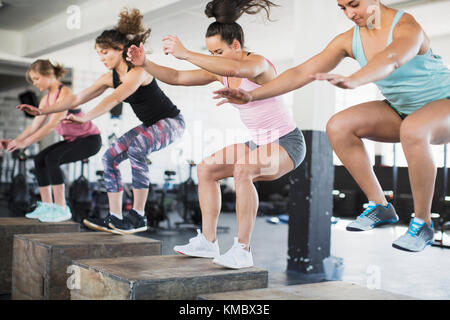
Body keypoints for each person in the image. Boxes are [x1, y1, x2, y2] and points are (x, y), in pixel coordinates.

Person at [214, 0, 450, 252]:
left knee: (413, 129)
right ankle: (379, 204)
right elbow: (300, 72)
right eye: (342, 8)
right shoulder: (349, 40)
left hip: (442, 104)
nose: (350, 14)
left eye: (354, 4)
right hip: (400, 111)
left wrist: (355, 79)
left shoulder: (405, 25)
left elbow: (392, 59)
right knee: (338, 126)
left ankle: (422, 222)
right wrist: (254, 96)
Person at [126, 0, 306, 268]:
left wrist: (186, 53)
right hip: (258, 143)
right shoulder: (221, 72)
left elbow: (235, 69)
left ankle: (243, 250)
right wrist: (146, 63)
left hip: (287, 143)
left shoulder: (257, 64)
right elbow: (177, 76)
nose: (214, 58)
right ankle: (208, 242)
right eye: (210, 52)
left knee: (243, 171)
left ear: (236, 46)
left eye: (218, 51)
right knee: (206, 169)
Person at [20, 8, 185, 234]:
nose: (102, 58)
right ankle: (114, 217)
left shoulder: (138, 71)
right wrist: (41, 110)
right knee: (110, 157)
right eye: (99, 53)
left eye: (105, 52)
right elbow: (76, 98)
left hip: (172, 122)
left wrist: (85, 117)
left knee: (137, 149)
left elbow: (115, 98)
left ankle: (138, 216)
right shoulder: (110, 77)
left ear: (120, 50)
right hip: (151, 126)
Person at [5, 59, 102, 222]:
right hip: (73, 139)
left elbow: (51, 126)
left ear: (48, 75)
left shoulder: (65, 94)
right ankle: (48, 206)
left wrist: (25, 144)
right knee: (39, 159)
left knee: (52, 159)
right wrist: (15, 142)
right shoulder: (45, 100)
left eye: (36, 79)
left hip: (89, 140)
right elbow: (33, 127)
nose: (35, 83)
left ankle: (62, 208)